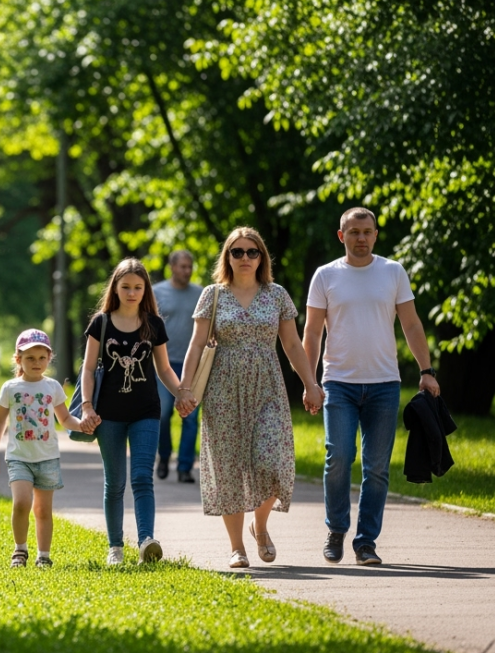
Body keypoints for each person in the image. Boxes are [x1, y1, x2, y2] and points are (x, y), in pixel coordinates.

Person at [177, 227, 323, 569]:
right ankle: (237, 547)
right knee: (228, 467)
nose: (245, 257)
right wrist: (184, 389)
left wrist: (310, 384)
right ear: (227, 257)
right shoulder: (212, 295)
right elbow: (196, 344)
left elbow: (292, 344)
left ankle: (260, 524)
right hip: (223, 390)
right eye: (237, 251)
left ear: (262, 257)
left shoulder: (276, 295)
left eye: (252, 252)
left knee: (274, 460)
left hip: (268, 387)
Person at [302, 207, 440, 566]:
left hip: (384, 384)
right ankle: (336, 530)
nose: (361, 238)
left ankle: (365, 542)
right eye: (354, 232)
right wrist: (309, 381)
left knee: (377, 468)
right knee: (338, 457)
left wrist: (426, 370)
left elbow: (411, 324)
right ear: (341, 235)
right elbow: (312, 332)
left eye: (367, 232)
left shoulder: (393, 272)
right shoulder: (326, 275)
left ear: (376, 235)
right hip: (339, 383)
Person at [75, 259, 184, 566]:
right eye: (126, 287)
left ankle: (146, 541)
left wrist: (182, 394)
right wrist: (87, 406)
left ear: (146, 289)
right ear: (115, 288)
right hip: (107, 415)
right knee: (115, 483)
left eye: (138, 287)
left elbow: (164, 369)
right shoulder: (101, 323)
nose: (132, 293)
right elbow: (87, 369)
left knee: (142, 477)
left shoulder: (154, 324)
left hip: (146, 412)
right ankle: (115, 548)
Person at [0, 330, 84, 568]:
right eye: (30, 358)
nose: (37, 363)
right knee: (21, 503)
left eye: (42, 358)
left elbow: (65, 419)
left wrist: (83, 425)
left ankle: (44, 555)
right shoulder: (10, 388)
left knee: (43, 510)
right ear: (18, 359)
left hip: (47, 458)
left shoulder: (52, 387)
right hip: (18, 457)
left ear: (49, 358)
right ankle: (20, 550)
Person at [153, 250, 204, 482]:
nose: (187, 270)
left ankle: (185, 467)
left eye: (189, 266)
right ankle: (164, 456)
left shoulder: (200, 294)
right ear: (172, 267)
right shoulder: (157, 292)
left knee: (190, 417)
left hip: (192, 365)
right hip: (164, 363)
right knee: (163, 413)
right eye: (183, 266)